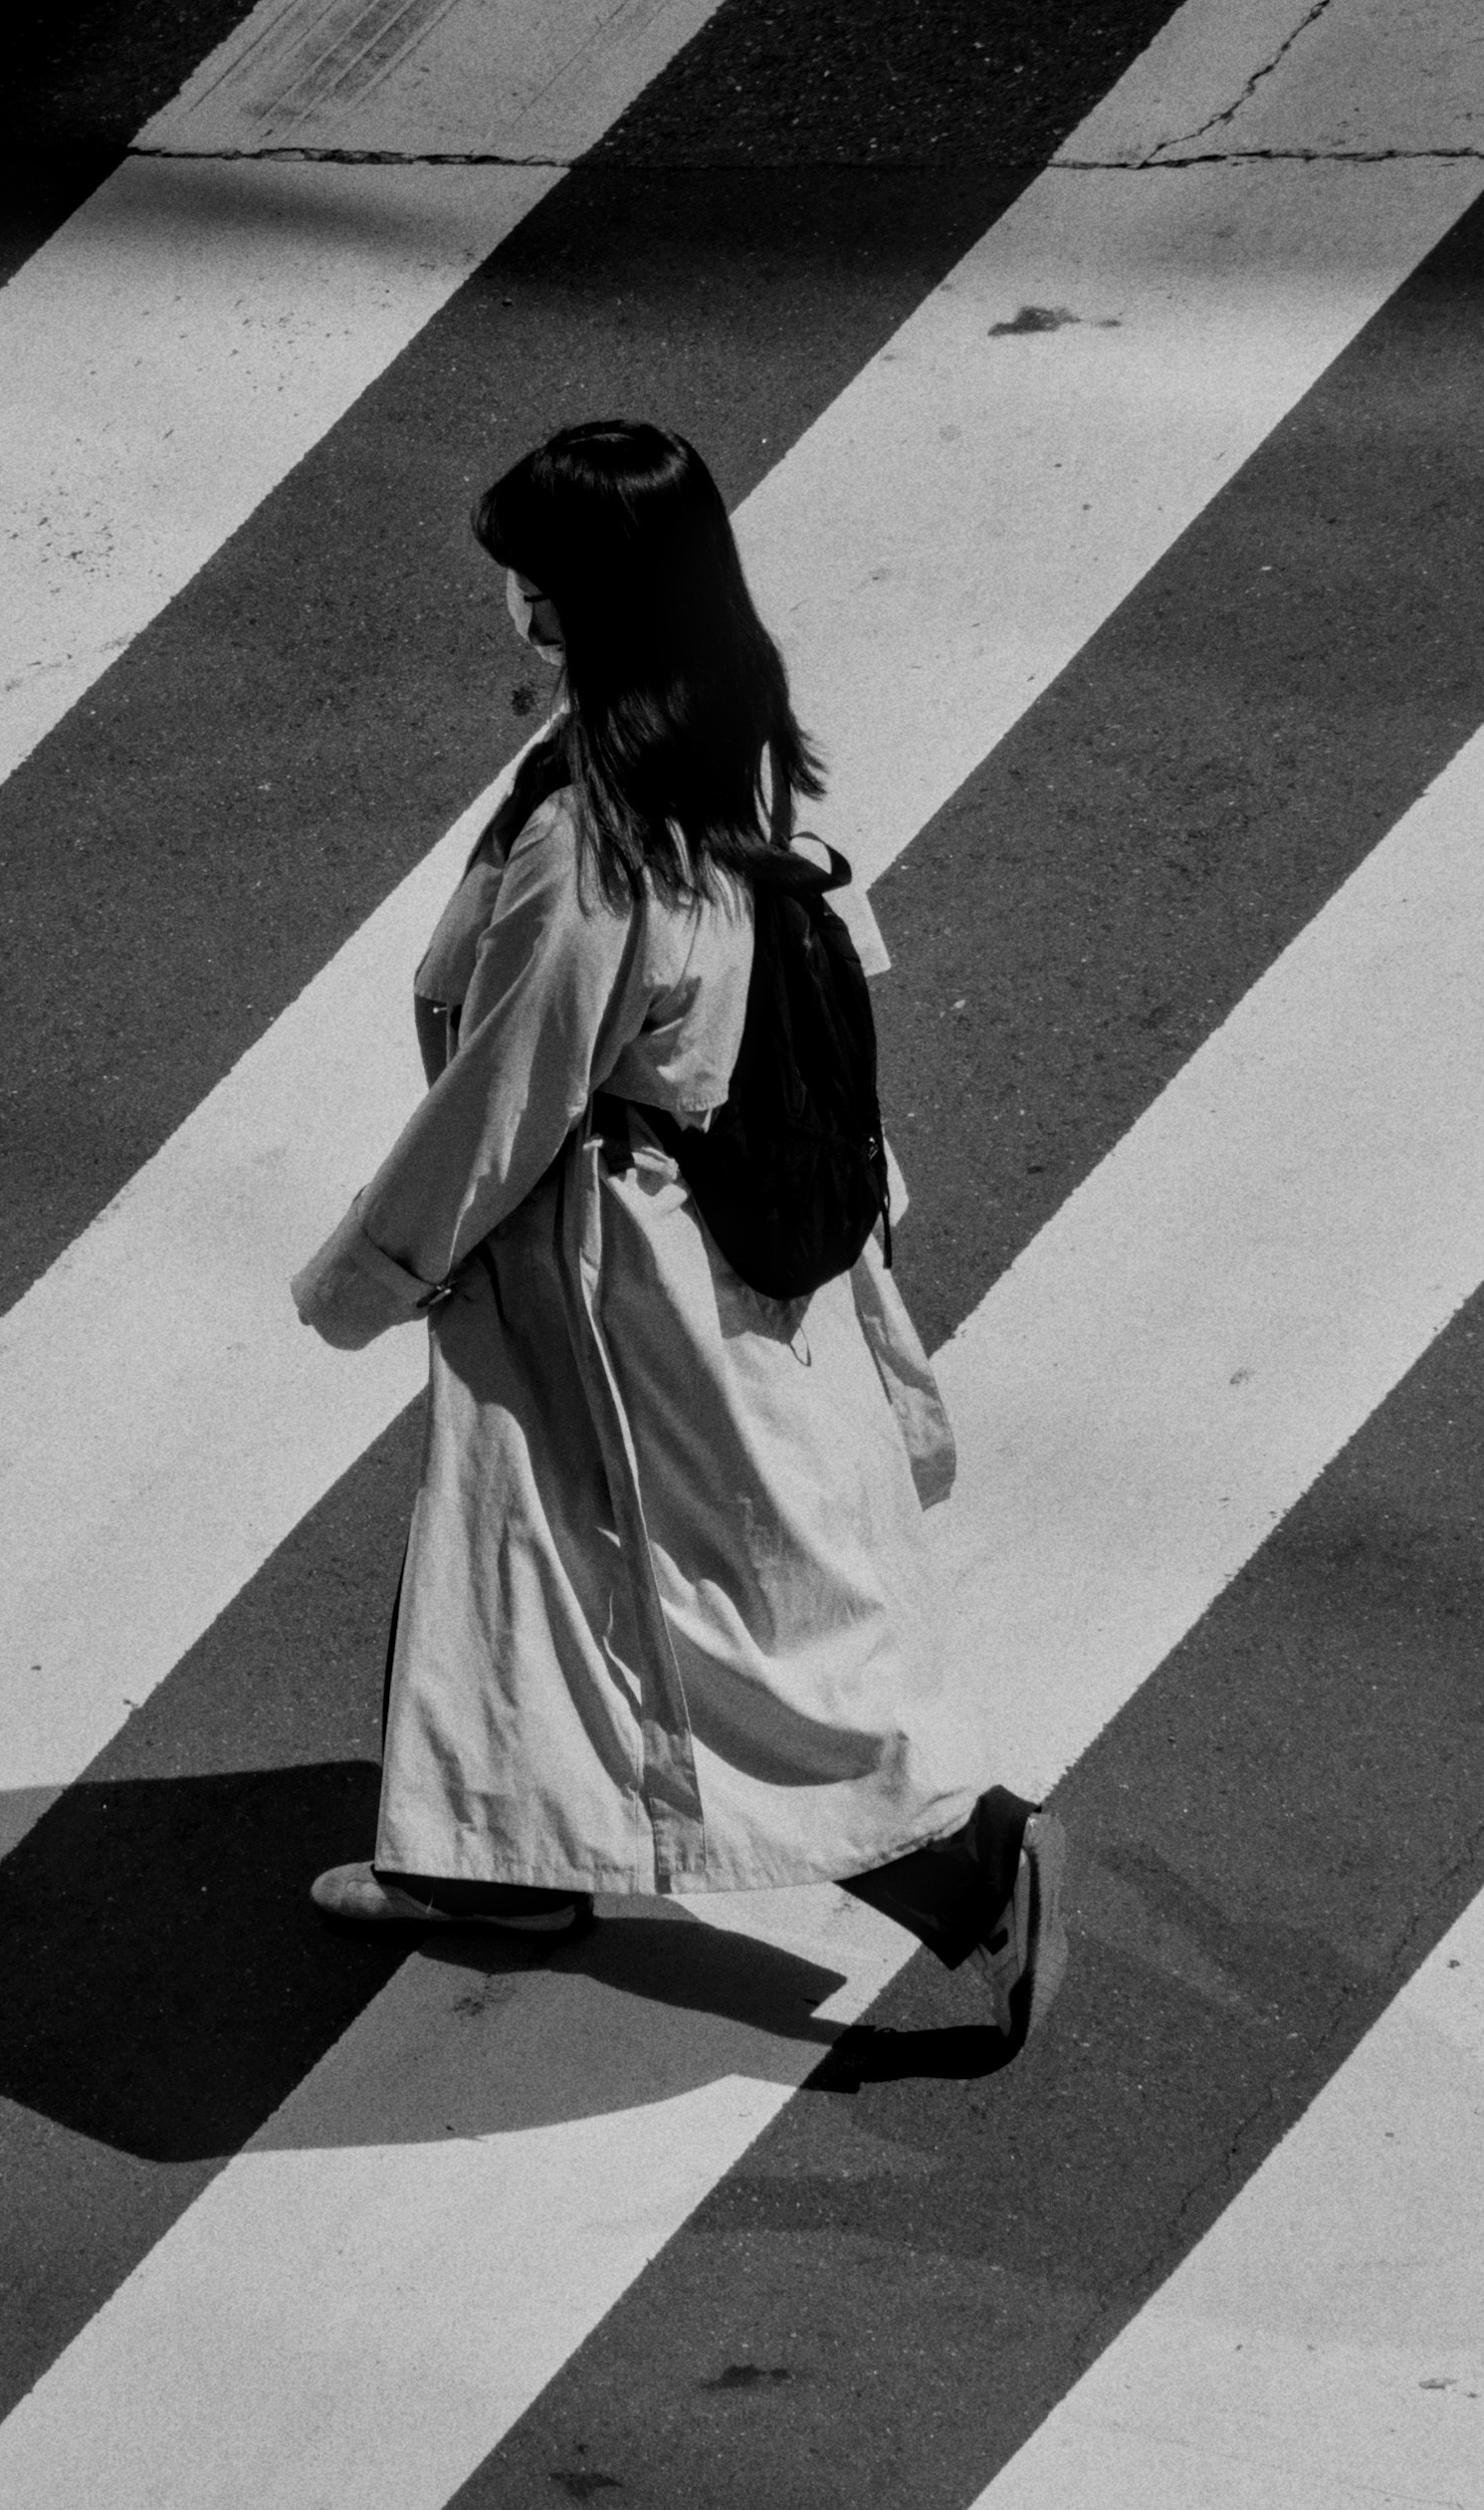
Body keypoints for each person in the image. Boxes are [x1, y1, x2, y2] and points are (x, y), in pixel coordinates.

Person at [287, 418, 1063, 2048]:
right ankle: (493, 1860)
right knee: (524, 1546)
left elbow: (509, 1088)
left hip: (606, 1255)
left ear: (584, 600)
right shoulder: (732, 728)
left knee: (675, 1597)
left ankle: (961, 1869)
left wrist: (370, 1272)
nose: (511, 599)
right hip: (708, 1211)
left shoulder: (593, 830)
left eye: (532, 575)